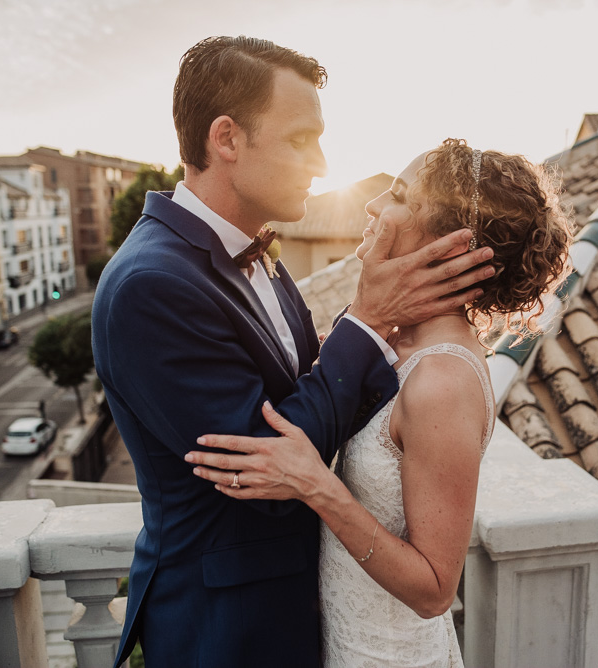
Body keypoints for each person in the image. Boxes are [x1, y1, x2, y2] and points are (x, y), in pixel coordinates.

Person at [91, 38, 496, 668]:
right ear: (227, 139)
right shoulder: (151, 285)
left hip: (313, 611)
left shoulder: (257, 251)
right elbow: (266, 466)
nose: (321, 163)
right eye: (301, 140)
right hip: (226, 628)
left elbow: (305, 391)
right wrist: (365, 321)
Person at [187, 138, 573, 667]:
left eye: (398, 195)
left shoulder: (443, 379)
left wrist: (318, 487)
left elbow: (436, 588)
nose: (371, 206)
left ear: (449, 243)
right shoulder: (395, 342)